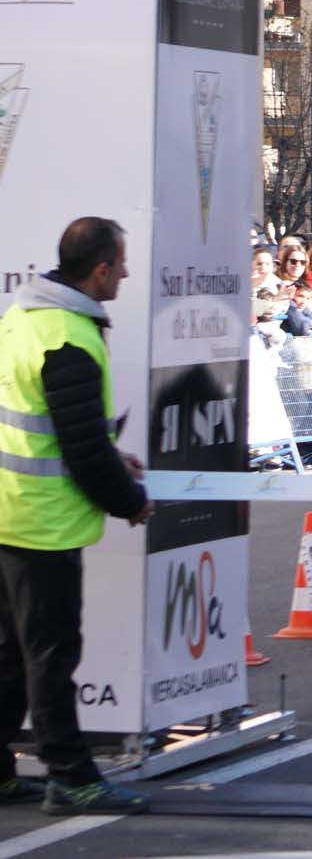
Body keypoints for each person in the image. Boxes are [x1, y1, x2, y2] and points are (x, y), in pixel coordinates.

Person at [0, 218, 151, 814]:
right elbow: (80, 450)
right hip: (43, 521)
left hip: (8, 511)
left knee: (11, 655)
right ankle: (71, 775)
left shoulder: (22, 320)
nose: (127, 273)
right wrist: (130, 501)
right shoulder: (69, 337)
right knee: (51, 656)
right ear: (100, 270)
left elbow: (44, 422)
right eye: (122, 263)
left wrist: (109, 456)